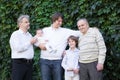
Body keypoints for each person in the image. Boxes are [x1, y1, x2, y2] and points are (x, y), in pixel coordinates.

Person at [38, 12, 81, 80]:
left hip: (58, 61)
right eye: (58, 21)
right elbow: (38, 41)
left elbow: (78, 33)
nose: (60, 23)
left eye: (61, 21)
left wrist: (90, 30)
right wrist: (41, 45)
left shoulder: (65, 31)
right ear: (54, 20)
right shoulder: (45, 30)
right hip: (44, 60)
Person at [9, 15, 37, 80]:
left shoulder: (29, 35)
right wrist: (30, 42)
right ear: (20, 24)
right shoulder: (15, 34)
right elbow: (18, 48)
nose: (28, 23)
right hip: (19, 64)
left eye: (28, 22)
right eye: (26, 22)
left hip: (29, 64)